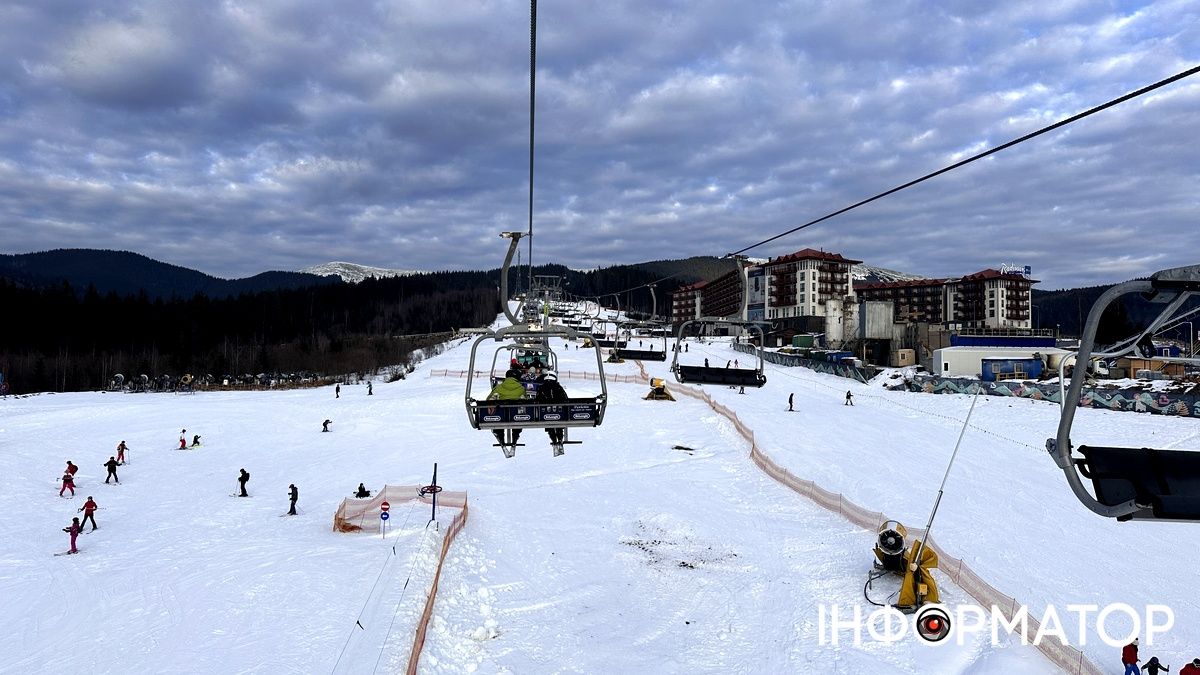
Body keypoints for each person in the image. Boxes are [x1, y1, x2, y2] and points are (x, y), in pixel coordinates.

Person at [487, 368, 526, 456]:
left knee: (498, 417)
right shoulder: (521, 388)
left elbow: (489, 400)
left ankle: (500, 436)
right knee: (518, 417)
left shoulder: (499, 387)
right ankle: (515, 437)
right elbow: (524, 401)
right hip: (516, 417)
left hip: (501, 417)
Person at [535, 370, 569, 456]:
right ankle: (560, 440)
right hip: (559, 413)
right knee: (558, 424)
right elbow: (565, 398)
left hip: (545, 414)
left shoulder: (541, 388)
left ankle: (554, 440)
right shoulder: (558, 387)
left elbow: (537, 400)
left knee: (549, 424)